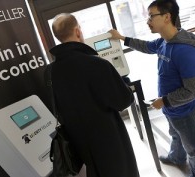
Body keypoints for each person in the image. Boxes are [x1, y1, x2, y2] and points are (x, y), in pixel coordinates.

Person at [109, 0, 195, 177]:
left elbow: (193, 90)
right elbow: (147, 47)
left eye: (151, 16)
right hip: (172, 108)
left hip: (183, 110)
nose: (148, 21)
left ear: (167, 17)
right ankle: (177, 157)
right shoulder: (165, 41)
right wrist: (122, 38)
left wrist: (164, 101)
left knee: (194, 148)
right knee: (176, 134)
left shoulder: (184, 50)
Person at [48, 13, 140, 177]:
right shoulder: (97, 64)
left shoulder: (50, 72)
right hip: (109, 140)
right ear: (77, 31)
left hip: (78, 143)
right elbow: (123, 100)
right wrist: (123, 84)